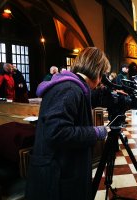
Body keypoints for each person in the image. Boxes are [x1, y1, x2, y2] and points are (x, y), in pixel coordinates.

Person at [25, 47, 111, 200]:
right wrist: (96, 132)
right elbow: (57, 132)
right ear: (97, 71)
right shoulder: (69, 89)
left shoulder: (71, 86)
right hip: (57, 178)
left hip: (60, 170)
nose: (100, 81)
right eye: (102, 74)